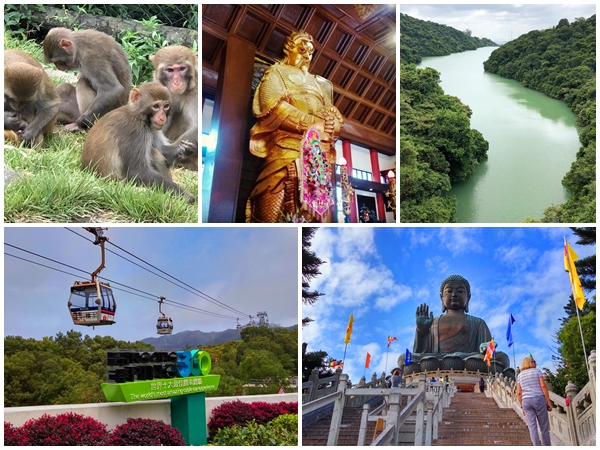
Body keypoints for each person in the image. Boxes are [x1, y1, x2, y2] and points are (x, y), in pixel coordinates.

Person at [247, 30, 344, 223]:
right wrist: (310, 122)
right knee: (272, 202)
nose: (307, 55)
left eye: (310, 51)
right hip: (285, 146)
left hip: (316, 154)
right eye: (302, 49)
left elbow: (332, 116)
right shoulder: (276, 72)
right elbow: (272, 107)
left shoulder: (320, 85)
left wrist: (333, 123)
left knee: (320, 215)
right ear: (289, 49)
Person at [400, 275, 510, 375]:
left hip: (470, 359)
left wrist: (486, 347)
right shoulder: (433, 322)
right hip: (437, 360)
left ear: (468, 297)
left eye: (460, 291)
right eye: (449, 291)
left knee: (502, 358)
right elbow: (420, 353)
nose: (454, 294)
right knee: (404, 358)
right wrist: (422, 332)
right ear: (441, 298)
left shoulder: (478, 322)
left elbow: (488, 350)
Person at [517, 356, 552, 446]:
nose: (535, 363)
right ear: (530, 363)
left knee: (532, 428)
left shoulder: (520, 375)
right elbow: (543, 386)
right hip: (538, 398)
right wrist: (548, 401)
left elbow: (519, 393)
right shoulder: (537, 371)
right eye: (534, 361)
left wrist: (522, 406)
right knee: (544, 427)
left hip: (526, 401)